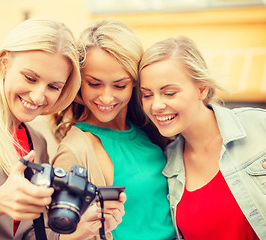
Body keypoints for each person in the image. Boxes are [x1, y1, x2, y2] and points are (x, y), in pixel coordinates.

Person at [0, 18, 124, 240]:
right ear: (5, 63)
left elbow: (29, 233)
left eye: (53, 87)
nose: (38, 96)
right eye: (30, 78)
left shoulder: (37, 141)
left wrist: (81, 229)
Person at [139, 36, 266, 240]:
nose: (156, 105)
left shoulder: (259, 125)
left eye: (169, 93)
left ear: (201, 89)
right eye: (147, 95)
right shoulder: (168, 163)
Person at [51, 18, 176, 240]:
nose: (107, 97)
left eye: (120, 85)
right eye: (94, 83)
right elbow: (61, 234)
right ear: (79, 81)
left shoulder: (151, 130)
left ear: (135, 83)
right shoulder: (75, 150)